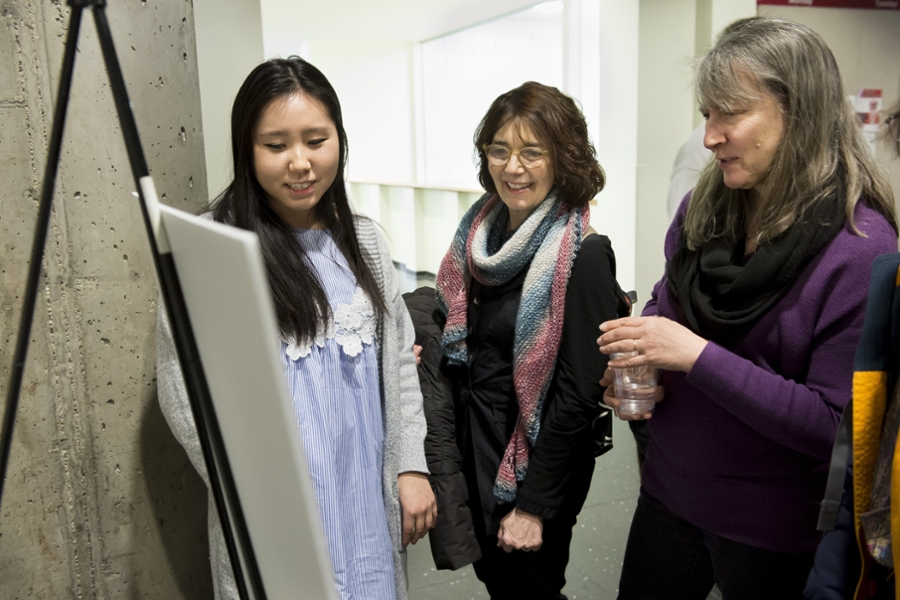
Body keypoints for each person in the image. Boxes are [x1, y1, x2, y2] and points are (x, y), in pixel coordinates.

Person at [597, 17, 898, 599]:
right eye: (708, 114)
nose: (710, 136)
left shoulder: (859, 250)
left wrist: (695, 356)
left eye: (729, 114)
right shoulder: (704, 206)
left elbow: (835, 426)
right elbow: (666, 306)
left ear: (800, 113)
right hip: (669, 493)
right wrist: (639, 365)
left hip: (774, 529)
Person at [156, 57, 435, 600]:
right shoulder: (212, 247)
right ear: (247, 149)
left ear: (339, 140)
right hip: (271, 508)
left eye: (316, 140)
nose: (300, 163)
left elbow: (399, 363)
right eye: (276, 145)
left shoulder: (366, 242)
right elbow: (179, 387)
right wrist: (248, 490)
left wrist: (410, 466)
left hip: (362, 495)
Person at [435, 81, 627, 599]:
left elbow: (577, 395)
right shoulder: (480, 236)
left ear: (563, 160)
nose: (512, 167)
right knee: (499, 581)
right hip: (477, 442)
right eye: (500, 150)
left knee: (528, 587)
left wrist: (534, 506)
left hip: (536, 459)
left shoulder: (582, 257)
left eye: (532, 152)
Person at [803, 77, 900, 600]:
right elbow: (862, 457)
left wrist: (699, 357)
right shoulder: (893, 281)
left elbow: (821, 419)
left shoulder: (865, 246)